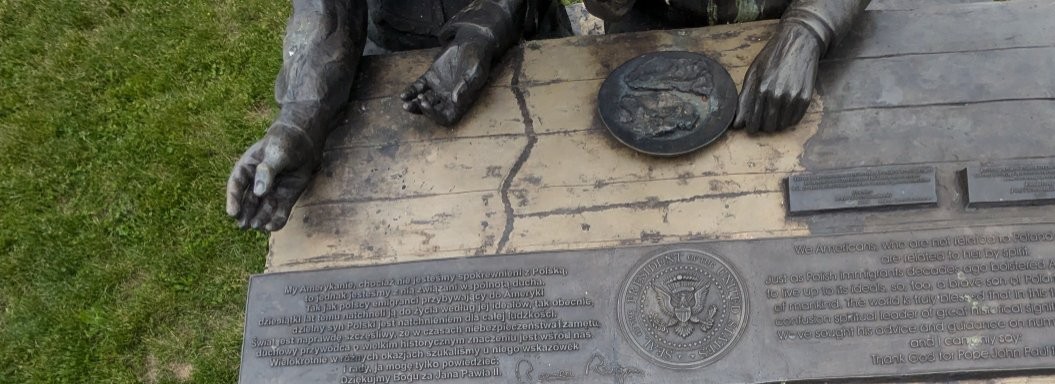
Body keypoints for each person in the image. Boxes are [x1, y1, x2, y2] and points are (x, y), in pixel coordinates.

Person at [227, 0, 868, 232]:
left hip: (519, 50)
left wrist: (811, 25)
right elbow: (326, 13)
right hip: (406, 65)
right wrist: (299, 123)